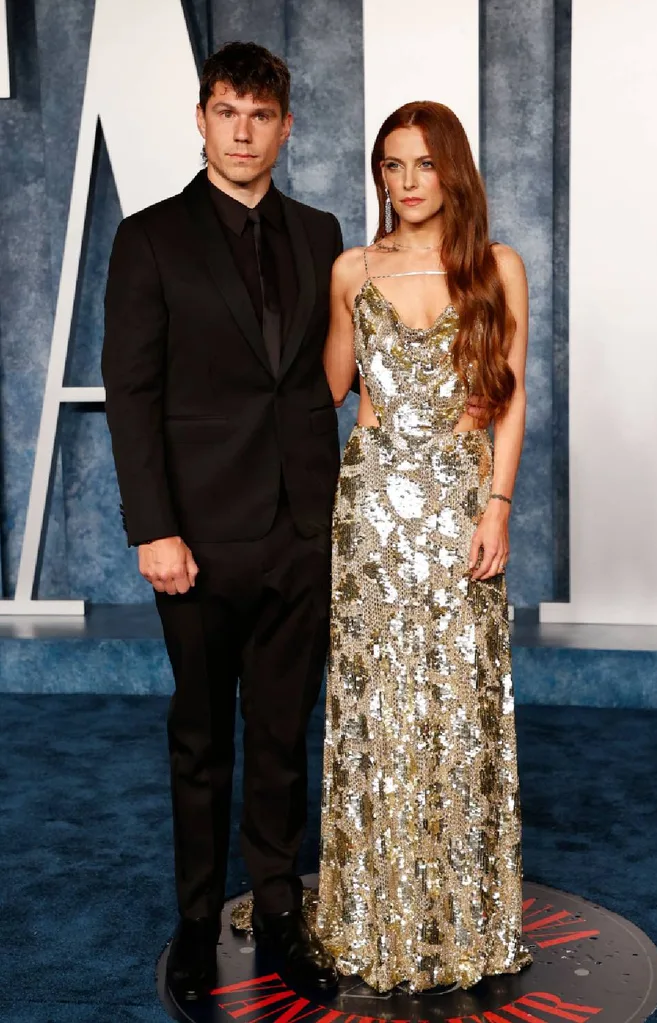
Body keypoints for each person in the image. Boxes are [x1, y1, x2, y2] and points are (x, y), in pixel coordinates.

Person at [101, 42, 342, 1003]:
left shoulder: (323, 233)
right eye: (227, 111)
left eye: (261, 114)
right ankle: (199, 918)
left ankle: (277, 908)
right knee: (202, 736)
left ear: (286, 128)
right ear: (201, 120)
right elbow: (133, 393)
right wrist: (152, 528)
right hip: (196, 535)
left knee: (283, 731)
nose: (243, 131)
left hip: (301, 527)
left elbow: (340, 369)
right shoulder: (150, 238)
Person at [316, 101, 532, 993]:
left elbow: (511, 400)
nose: (407, 183)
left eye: (423, 165)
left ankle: (458, 912)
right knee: (375, 705)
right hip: (371, 512)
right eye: (392, 166)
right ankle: (372, 912)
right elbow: (328, 389)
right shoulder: (351, 269)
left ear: (453, 172)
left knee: (454, 698)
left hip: (457, 508)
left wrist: (498, 505)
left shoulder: (496, 267)